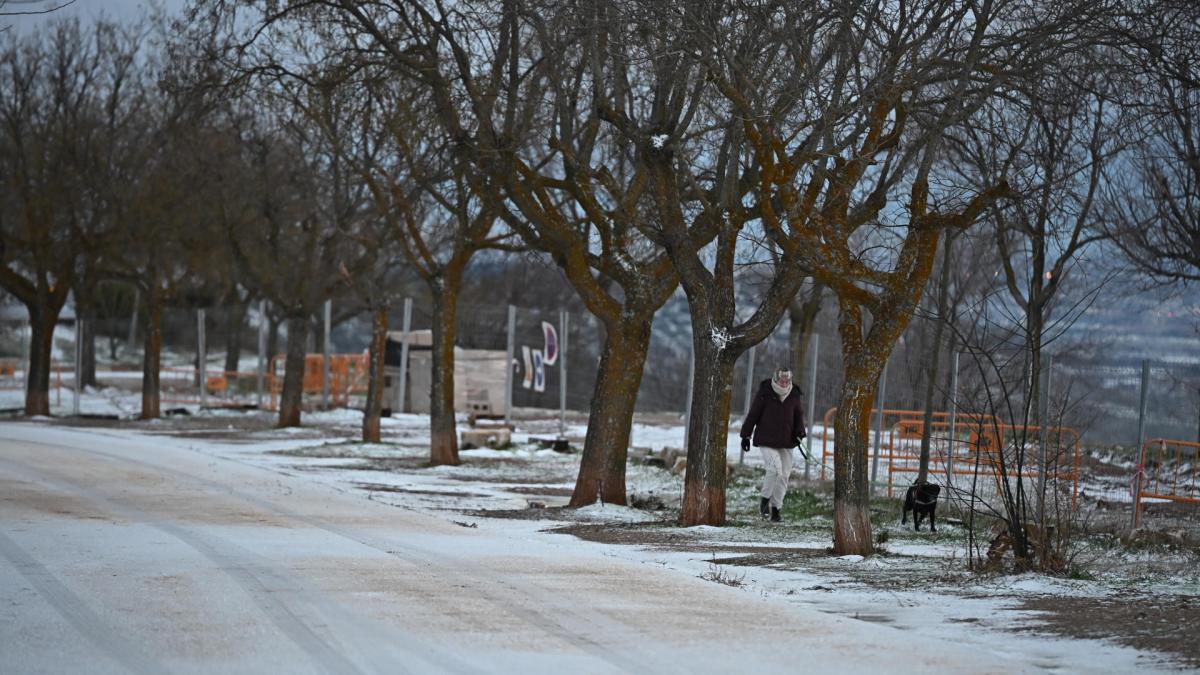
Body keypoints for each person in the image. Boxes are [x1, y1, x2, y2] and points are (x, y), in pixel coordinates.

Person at [740, 367, 806, 522]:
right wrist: (745, 436)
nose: (784, 383)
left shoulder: (794, 395)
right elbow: (753, 414)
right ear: (775, 380)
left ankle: (776, 508)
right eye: (781, 380)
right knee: (774, 469)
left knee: (784, 475)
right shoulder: (765, 393)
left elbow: (798, 417)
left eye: (787, 381)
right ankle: (764, 500)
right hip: (766, 439)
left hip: (786, 441)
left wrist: (799, 433)